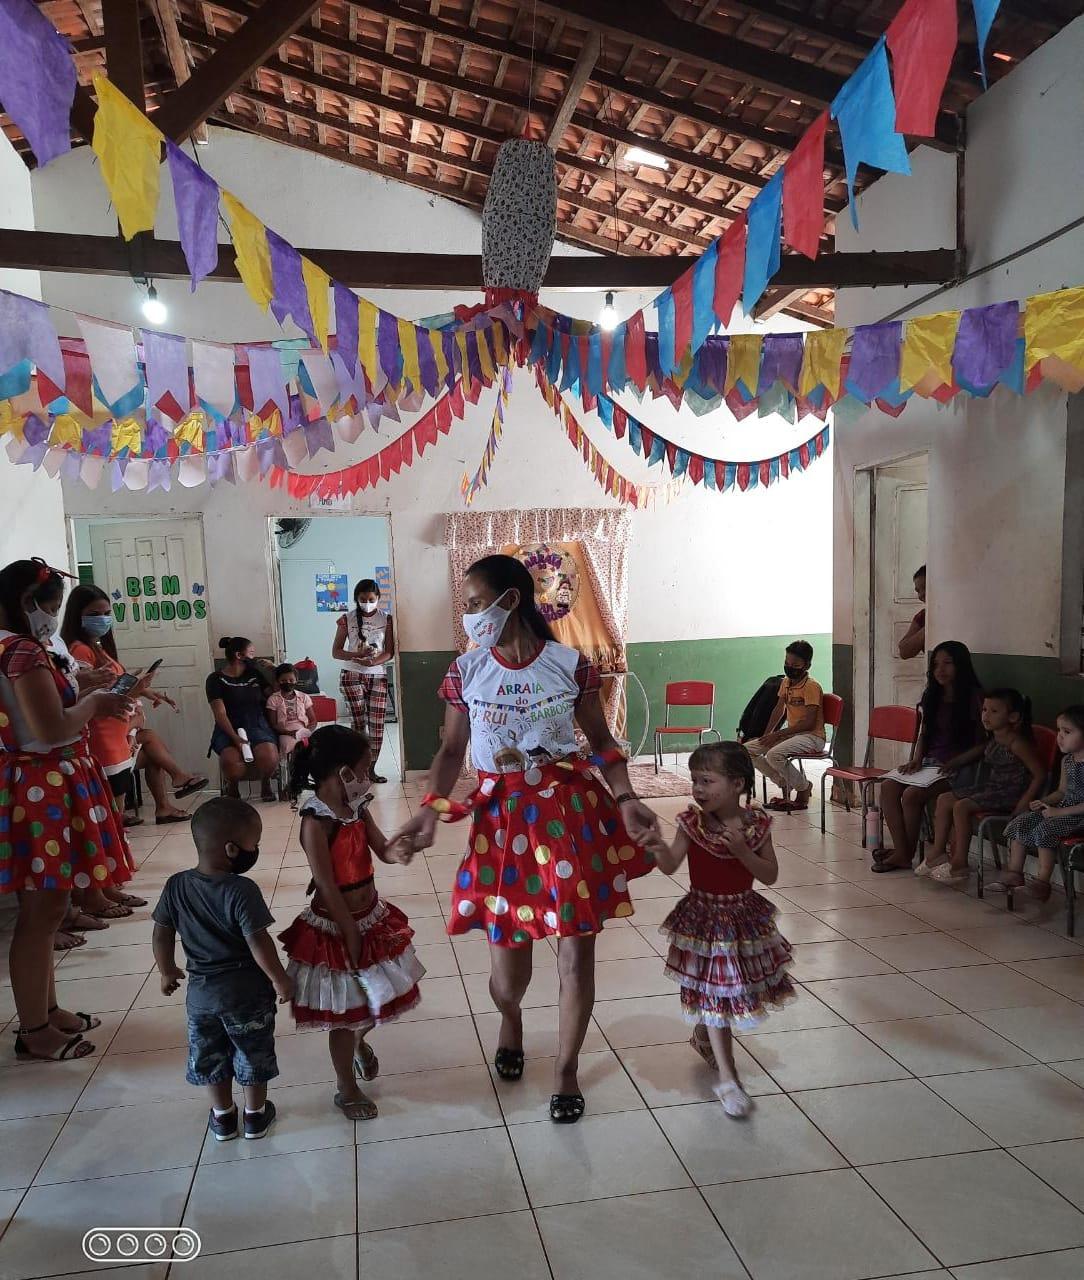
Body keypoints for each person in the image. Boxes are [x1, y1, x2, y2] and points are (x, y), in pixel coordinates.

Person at [390, 554, 661, 1124]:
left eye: (472, 602)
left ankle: (566, 1069)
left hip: (570, 817)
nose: (468, 614)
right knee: (508, 977)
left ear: (509, 601)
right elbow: (449, 752)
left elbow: (603, 744)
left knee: (573, 955)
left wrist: (628, 797)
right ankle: (510, 1018)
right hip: (502, 823)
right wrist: (431, 811)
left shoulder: (569, 665)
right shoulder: (466, 672)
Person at [0, 558, 136, 1061]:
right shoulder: (21, 653)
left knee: (51, 906)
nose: (54, 620)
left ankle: (47, 1008)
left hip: (46, 781)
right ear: (25, 603)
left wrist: (89, 687)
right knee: (40, 911)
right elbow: (52, 727)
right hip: (43, 784)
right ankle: (33, 1029)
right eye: (51, 608)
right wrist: (95, 705)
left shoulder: (21, 650)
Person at [279, 726, 423, 1121]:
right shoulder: (315, 821)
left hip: (370, 915)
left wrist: (405, 846)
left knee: (377, 997)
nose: (366, 776)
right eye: (362, 769)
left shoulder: (357, 807)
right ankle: (346, 1087)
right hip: (336, 926)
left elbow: (383, 850)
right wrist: (349, 933)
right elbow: (325, 883)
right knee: (344, 1016)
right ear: (342, 772)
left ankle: (360, 1043)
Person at [646, 742, 793, 1118]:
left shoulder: (757, 824)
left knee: (730, 992)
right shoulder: (691, 824)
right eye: (695, 780)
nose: (697, 789)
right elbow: (670, 865)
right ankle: (728, 1079)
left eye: (707, 781)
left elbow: (770, 875)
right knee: (718, 996)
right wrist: (656, 846)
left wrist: (744, 851)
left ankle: (703, 1036)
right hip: (703, 921)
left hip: (743, 919)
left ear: (737, 784)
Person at [151, 797, 293, 1141]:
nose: (255, 850)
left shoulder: (176, 885)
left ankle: (222, 1118)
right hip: (245, 994)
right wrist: (280, 979)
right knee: (251, 1051)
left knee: (210, 1055)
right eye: (253, 845)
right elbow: (259, 942)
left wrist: (167, 970)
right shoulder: (242, 890)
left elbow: (162, 932)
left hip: (201, 996)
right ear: (231, 849)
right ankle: (255, 1116)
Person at [63, 585, 206, 832]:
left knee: (119, 803)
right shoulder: (80, 650)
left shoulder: (98, 646)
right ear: (78, 615)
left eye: (107, 612)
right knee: (110, 812)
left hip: (117, 735)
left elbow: (115, 686)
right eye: (95, 614)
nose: (103, 619)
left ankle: (164, 801)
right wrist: (136, 691)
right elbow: (97, 696)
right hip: (104, 737)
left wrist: (144, 690)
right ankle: (177, 780)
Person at [872, 641, 985, 873]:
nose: (940, 670)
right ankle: (902, 851)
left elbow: (985, 744)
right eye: (936, 665)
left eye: (947, 663)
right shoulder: (932, 695)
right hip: (931, 765)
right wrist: (917, 759)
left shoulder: (975, 698)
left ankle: (903, 854)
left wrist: (956, 761)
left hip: (960, 768)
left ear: (961, 665)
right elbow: (925, 732)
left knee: (913, 795)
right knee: (888, 786)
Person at [922, 689, 1046, 884]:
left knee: (962, 806)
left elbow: (1040, 774)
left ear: (1013, 717)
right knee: (944, 799)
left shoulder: (1017, 743)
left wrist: (1025, 801)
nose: (986, 715)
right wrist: (954, 763)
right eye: (984, 709)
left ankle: (959, 863)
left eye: (994, 711)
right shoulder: (995, 737)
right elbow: (979, 752)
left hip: (1010, 794)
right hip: (992, 789)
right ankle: (937, 852)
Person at [990, 706, 1084, 902]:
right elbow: (1062, 792)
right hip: (1061, 810)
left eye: (1067, 732)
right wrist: (1044, 802)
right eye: (1059, 731)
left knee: (1046, 829)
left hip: (1078, 816)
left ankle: (1042, 883)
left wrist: (1059, 812)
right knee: (1021, 822)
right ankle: (1014, 874)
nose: (1060, 737)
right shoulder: (1067, 761)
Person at [745, 641, 825, 812]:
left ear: (807, 665)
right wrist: (767, 736)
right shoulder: (786, 682)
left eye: (795, 665)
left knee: (774, 755)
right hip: (793, 735)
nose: (790, 668)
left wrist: (778, 734)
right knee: (745, 751)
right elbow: (778, 709)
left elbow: (809, 723)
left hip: (812, 736)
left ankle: (803, 788)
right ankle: (784, 783)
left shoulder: (811, 686)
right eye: (787, 663)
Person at [332, 579, 394, 784]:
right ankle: (356, 768)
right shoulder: (346, 619)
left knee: (376, 725)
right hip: (352, 674)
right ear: (356, 599)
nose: (367, 603)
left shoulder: (387, 619)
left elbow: (390, 651)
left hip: (377, 674)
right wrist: (355, 655)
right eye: (362, 599)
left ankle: (371, 768)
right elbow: (336, 652)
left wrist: (372, 662)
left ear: (378, 599)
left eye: (371, 599)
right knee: (358, 723)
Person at [205, 637, 279, 801]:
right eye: (251, 653)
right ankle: (232, 786)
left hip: (256, 723)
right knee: (232, 764)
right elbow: (220, 714)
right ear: (239, 655)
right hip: (228, 727)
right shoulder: (215, 679)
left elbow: (275, 696)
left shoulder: (254, 674)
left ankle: (265, 783)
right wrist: (235, 738)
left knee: (270, 757)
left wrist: (275, 670)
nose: (255, 657)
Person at [265, 663, 317, 758]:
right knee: (289, 746)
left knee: (315, 747)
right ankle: (291, 770)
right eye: (283, 680)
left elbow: (313, 720)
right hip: (285, 733)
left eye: (291, 680)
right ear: (278, 681)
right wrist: (290, 733)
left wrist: (307, 732)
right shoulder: (273, 699)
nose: (288, 683)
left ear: (296, 680)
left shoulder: (304, 697)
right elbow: (273, 725)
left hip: (304, 731)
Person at [898, 565, 927, 660]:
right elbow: (904, 651)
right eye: (918, 591)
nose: (921, 594)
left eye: (926, 587)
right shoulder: (922, 616)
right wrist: (928, 628)